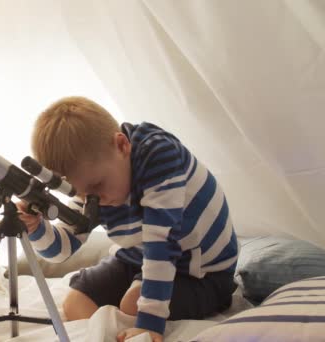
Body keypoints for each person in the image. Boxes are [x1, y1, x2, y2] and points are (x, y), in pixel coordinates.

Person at [17, 96, 239, 342]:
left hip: (201, 273)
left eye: (97, 186)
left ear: (122, 146)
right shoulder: (92, 187)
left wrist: (150, 323)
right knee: (76, 300)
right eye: (81, 194)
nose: (95, 201)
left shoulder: (159, 156)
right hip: (140, 256)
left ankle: (129, 326)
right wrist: (36, 227)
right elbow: (61, 249)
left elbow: (161, 244)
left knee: (135, 303)